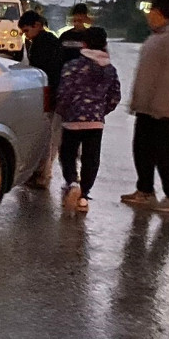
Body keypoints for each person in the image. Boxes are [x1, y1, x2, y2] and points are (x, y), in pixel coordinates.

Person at [122, 0, 169, 214]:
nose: (148, 16)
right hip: (146, 105)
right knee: (142, 148)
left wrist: (164, 103)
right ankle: (145, 190)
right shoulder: (157, 36)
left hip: (161, 106)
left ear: (160, 13)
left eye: (151, 12)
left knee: (164, 152)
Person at [56, 26, 121, 212]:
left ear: (83, 44)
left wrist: (63, 110)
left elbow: (64, 92)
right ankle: (84, 196)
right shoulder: (110, 70)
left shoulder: (72, 66)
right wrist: (101, 111)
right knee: (91, 158)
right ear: (105, 44)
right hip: (95, 122)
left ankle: (72, 182)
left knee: (68, 154)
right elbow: (115, 96)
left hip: (72, 119)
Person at [12, 9, 66, 188]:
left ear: (37, 25)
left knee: (46, 136)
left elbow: (43, 71)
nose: (25, 36)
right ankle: (41, 172)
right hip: (51, 93)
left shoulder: (44, 43)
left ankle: (43, 173)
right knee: (47, 135)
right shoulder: (45, 41)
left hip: (49, 93)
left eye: (27, 31)